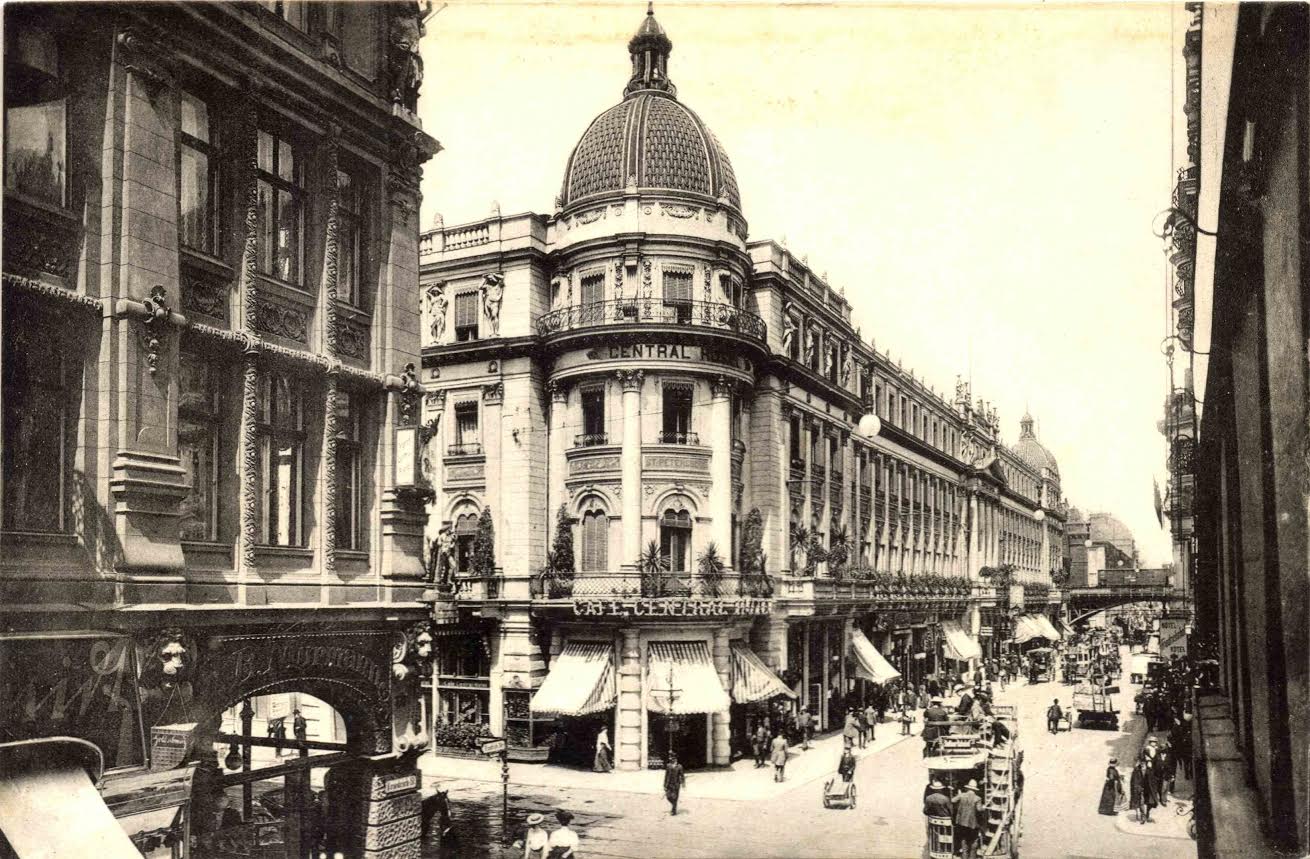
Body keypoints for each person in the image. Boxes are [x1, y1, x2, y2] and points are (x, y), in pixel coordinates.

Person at [952, 779, 982, 859]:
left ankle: (964, 857)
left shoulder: (962, 795)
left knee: (964, 840)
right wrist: (984, 807)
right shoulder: (977, 798)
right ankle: (972, 857)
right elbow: (979, 809)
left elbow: (953, 800)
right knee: (973, 841)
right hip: (972, 824)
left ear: (968, 788)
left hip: (961, 822)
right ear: (975, 790)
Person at [1130, 754, 1158, 824]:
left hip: (1148, 789)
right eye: (1141, 762)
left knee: (1150, 802)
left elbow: (1153, 780)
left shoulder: (1149, 770)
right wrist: (1137, 787)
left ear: (1146, 762)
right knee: (1141, 802)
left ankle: (1147, 813)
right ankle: (1143, 816)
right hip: (1140, 789)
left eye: (1143, 762)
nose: (1142, 764)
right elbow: (1134, 781)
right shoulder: (1136, 770)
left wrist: (1154, 788)